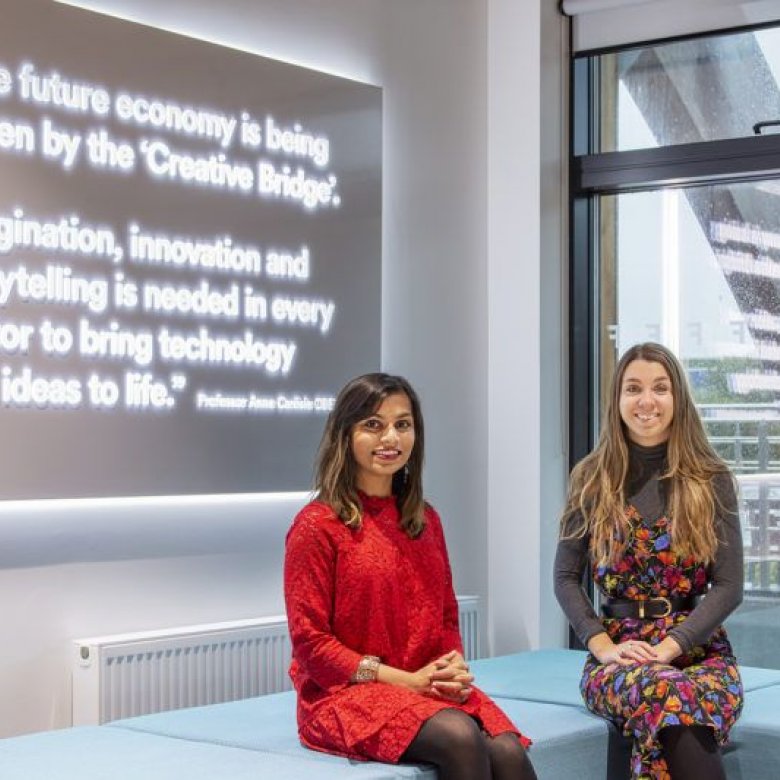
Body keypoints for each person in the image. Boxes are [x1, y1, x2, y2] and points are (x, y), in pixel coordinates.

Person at [284, 373, 536, 780]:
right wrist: (406, 681)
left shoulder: (425, 519)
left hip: (422, 685)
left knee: (507, 750)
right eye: (373, 425)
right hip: (343, 695)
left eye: (403, 424)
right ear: (345, 435)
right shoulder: (317, 525)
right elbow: (311, 644)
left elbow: (445, 617)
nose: (391, 438)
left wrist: (450, 669)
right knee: (459, 736)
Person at [554, 342, 744, 780]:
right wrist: (602, 647)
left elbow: (730, 585)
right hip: (619, 652)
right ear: (617, 400)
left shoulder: (711, 479)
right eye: (633, 388)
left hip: (699, 649)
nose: (646, 401)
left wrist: (668, 648)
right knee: (666, 693)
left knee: (680, 696)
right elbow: (565, 578)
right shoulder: (590, 478)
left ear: (677, 397)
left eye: (660, 388)